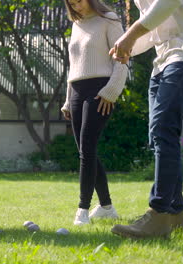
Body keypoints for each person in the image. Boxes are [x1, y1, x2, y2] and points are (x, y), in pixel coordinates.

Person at [109, 0, 183, 238]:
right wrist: (124, 47)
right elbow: (153, 31)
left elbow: (167, 4)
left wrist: (128, 37)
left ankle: (158, 214)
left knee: (162, 131)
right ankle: (176, 214)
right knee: (160, 137)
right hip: (163, 63)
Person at [62, 0, 128, 225]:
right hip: (77, 92)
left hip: (100, 91)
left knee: (87, 149)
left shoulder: (109, 20)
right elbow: (73, 65)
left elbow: (122, 59)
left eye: (79, 1)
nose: (76, 6)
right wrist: (67, 99)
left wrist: (111, 91)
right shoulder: (76, 24)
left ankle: (82, 209)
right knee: (85, 150)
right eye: (71, 3)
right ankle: (107, 206)